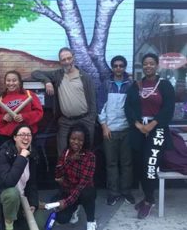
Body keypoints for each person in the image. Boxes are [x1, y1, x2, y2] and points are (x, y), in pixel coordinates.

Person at [124, 53, 175, 219]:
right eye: (145, 64)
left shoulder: (165, 85)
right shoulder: (137, 85)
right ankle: (147, 197)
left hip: (157, 129)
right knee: (140, 165)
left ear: (157, 65)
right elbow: (128, 107)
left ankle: (149, 201)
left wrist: (152, 125)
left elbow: (168, 108)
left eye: (151, 63)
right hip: (139, 129)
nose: (148, 66)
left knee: (150, 166)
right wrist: (138, 125)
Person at [31, 47, 97, 155]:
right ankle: (64, 172)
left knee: (85, 153)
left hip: (85, 120)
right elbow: (35, 73)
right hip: (66, 121)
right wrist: (47, 81)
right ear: (60, 62)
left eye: (69, 58)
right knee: (62, 153)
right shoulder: (58, 75)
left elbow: (93, 100)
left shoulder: (84, 77)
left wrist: (92, 119)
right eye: (63, 60)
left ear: (73, 58)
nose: (67, 62)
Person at [0, 124, 39, 230]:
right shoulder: (4, 153)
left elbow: (32, 183)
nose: (26, 137)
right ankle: (9, 224)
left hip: (21, 200)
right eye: (22, 134)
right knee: (12, 193)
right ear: (15, 137)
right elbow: (9, 181)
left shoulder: (32, 155)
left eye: (29, 135)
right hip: (1, 199)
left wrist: (33, 203)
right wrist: (22, 157)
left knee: (40, 223)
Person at [98, 56, 135, 206]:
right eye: (115, 66)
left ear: (125, 67)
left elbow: (134, 107)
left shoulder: (131, 85)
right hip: (110, 131)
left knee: (127, 163)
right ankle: (113, 193)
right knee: (111, 163)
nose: (118, 68)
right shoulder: (106, 84)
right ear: (112, 68)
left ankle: (126, 191)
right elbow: (100, 106)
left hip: (127, 130)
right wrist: (104, 126)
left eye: (121, 66)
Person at [51, 123, 97, 230]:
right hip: (68, 190)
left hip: (83, 191)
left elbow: (82, 185)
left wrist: (66, 203)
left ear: (85, 141)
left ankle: (91, 221)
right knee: (61, 219)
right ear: (69, 138)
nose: (76, 142)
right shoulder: (66, 153)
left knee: (87, 192)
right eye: (73, 138)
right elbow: (58, 174)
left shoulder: (90, 157)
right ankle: (74, 208)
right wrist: (70, 160)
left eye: (80, 140)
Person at [0, 70, 43, 146]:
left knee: (25, 157)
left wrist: (24, 117)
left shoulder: (29, 95)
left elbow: (39, 113)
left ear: (19, 82)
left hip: (25, 135)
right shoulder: (1, 99)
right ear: (5, 82)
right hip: (6, 137)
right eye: (8, 80)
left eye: (14, 80)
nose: (11, 83)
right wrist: (3, 118)